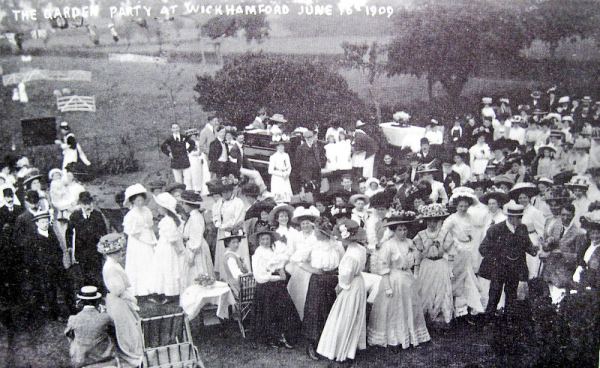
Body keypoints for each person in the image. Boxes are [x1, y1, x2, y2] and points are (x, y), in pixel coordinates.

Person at [368, 211, 430, 348]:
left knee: (409, 306)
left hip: (407, 277)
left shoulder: (410, 242)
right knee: (393, 308)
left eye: (405, 229)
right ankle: (393, 337)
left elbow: (417, 257)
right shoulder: (389, 245)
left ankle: (409, 334)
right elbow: (383, 266)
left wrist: (416, 272)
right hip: (393, 278)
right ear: (394, 231)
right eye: (400, 230)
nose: (403, 232)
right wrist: (388, 286)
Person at [316, 219, 367, 363]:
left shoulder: (350, 255)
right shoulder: (360, 249)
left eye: (339, 237)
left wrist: (341, 287)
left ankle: (340, 347)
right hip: (359, 283)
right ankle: (352, 345)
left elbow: (346, 276)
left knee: (345, 316)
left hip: (351, 286)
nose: (338, 239)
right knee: (354, 314)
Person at [480, 201, 538, 317]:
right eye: (515, 218)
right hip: (499, 269)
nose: (517, 220)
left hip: (515, 268)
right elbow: (483, 248)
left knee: (511, 296)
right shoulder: (496, 229)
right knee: (494, 295)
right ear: (509, 217)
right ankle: (488, 321)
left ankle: (508, 324)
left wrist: (534, 249)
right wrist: (496, 258)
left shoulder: (522, 228)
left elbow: (527, 244)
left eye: (519, 218)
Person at [98, 233, 143, 367]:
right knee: (127, 330)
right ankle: (133, 356)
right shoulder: (110, 268)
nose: (120, 254)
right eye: (118, 252)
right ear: (111, 254)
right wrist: (132, 299)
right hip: (119, 302)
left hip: (119, 299)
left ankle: (134, 352)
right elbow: (118, 291)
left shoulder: (113, 264)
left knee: (131, 327)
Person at [302, 217, 345, 360]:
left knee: (331, 311)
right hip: (318, 280)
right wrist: (311, 269)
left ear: (323, 232)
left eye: (316, 230)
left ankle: (330, 345)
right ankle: (312, 345)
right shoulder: (312, 242)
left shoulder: (336, 244)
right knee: (315, 312)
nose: (314, 232)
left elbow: (344, 261)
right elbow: (297, 259)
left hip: (332, 280)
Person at [251, 229, 301, 348]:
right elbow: (260, 276)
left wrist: (280, 270)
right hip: (266, 287)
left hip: (277, 286)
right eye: (262, 239)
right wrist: (278, 277)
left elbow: (279, 263)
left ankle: (286, 336)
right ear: (259, 241)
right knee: (269, 313)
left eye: (267, 239)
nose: (265, 241)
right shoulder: (258, 254)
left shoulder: (272, 250)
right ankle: (273, 338)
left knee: (285, 309)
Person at [23, 211, 75, 321]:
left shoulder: (52, 233)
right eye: (42, 222)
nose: (45, 224)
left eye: (47, 221)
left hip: (58, 267)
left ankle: (72, 310)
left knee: (67, 288)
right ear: (37, 223)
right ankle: (55, 315)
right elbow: (31, 257)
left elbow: (58, 249)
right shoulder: (33, 239)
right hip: (45, 270)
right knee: (50, 292)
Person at [442, 190, 485, 317]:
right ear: (456, 206)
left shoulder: (470, 217)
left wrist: (470, 240)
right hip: (456, 249)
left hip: (469, 248)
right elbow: (444, 233)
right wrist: (455, 243)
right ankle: (455, 308)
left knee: (469, 276)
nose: (464, 208)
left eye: (466, 206)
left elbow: (474, 229)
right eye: (461, 206)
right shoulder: (452, 219)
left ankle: (468, 308)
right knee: (457, 276)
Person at [413, 203, 454, 328]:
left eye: (435, 221)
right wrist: (416, 271)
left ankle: (441, 318)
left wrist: (451, 270)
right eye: (429, 221)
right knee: (425, 289)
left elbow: (451, 253)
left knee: (441, 289)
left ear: (439, 221)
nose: (432, 224)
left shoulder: (445, 234)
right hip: (426, 265)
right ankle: (425, 318)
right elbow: (418, 255)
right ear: (425, 221)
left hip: (440, 264)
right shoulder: (420, 235)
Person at [541, 202, 587, 304]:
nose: (565, 218)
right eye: (563, 214)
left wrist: (562, 254)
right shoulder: (556, 227)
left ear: (573, 216)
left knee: (560, 302)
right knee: (550, 301)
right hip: (550, 271)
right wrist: (547, 244)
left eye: (568, 215)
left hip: (564, 274)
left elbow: (579, 257)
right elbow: (547, 248)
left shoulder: (578, 233)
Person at [65, 191, 109, 291]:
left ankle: (99, 293)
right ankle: (86, 294)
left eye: (89, 203)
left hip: (95, 249)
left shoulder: (97, 215)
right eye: (84, 204)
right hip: (81, 249)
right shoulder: (75, 216)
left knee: (96, 271)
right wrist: (70, 247)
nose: (87, 206)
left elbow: (104, 231)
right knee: (84, 272)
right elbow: (69, 232)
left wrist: (104, 245)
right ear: (80, 204)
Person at [64, 286, 116, 368]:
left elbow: (69, 336)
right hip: (104, 361)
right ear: (97, 301)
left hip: (81, 362)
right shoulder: (105, 318)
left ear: (81, 302)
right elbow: (114, 334)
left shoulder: (73, 319)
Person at [122, 184, 157, 297]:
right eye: (137, 200)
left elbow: (150, 225)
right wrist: (147, 241)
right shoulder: (131, 215)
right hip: (138, 242)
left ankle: (152, 288)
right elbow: (134, 234)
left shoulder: (146, 210)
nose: (140, 202)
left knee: (151, 262)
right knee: (140, 264)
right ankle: (140, 290)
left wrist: (153, 239)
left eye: (142, 200)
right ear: (132, 201)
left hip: (148, 236)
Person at [149, 192, 184, 302]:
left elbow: (172, 239)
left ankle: (170, 294)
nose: (158, 208)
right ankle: (166, 292)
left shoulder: (167, 221)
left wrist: (179, 250)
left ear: (165, 208)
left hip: (167, 248)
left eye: (160, 206)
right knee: (164, 269)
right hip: (164, 246)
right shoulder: (171, 219)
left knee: (168, 268)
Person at [287, 206, 319, 319]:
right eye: (303, 224)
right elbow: (292, 252)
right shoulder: (297, 236)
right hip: (298, 268)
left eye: (307, 223)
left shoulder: (316, 236)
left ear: (312, 224)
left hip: (311, 267)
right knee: (295, 293)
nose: (305, 226)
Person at [212, 183, 250, 278]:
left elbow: (239, 218)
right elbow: (216, 214)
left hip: (234, 230)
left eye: (227, 191)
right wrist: (217, 223)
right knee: (224, 252)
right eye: (223, 192)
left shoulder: (238, 202)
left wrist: (227, 226)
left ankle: (241, 276)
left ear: (232, 191)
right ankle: (225, 277)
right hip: (222, 231)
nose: (225, 194)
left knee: (236, 251)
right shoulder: (219, 203)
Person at [180, 191, 214, 289]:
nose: (183, 206)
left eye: (184, 204)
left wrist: (191, 255)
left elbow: (196, 239)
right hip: (192, 245)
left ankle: (200, 294)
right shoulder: (193, 216)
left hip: (196, 248)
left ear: (190, 205)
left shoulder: (196, 218)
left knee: (198, 269)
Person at [160, 123, 195, 189]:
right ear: (171, 129)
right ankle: (180, 192)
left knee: (188, 178)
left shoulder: (184, 137)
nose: (175, 129)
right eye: (174, 128)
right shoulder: (169, 139)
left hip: (184, 159)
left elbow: (192, 143)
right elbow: (163, 147)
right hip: (175, 160)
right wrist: (169, 153)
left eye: (177, 127)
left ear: (179, 128)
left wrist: (188, 151)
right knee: (178, 180)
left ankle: (189, 192)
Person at [291, 130, 324, 194]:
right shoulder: (301, 148)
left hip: (316, 174)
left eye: (311, 137)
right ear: (305, 138)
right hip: (306, 175)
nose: (310, 139)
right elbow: (298, 162)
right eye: (308, 138)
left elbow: (318, 159)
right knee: (308, 193)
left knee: (316, 192)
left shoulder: (315, 147)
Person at [221, 230, 249, 297]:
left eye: (237, 242)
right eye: (233, 242)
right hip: (237, 287)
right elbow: (236, 274)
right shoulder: (230, 257)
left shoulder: (235, 255)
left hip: (239, 284)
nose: (236, 245)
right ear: (228, 244)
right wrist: (248, 279)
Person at [185, 128, 210, 194]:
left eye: (194, 136)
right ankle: (192, 189)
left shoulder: (198, 142)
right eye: (192, 136)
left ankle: (199, 188)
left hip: (199, 159)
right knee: (191, 174)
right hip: (191, 159)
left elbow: (201, 149)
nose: (194, 137)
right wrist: (194, 153)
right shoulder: (187, 143)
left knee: (199, 173)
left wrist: (200, 153)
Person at [268, 139, 293, 204]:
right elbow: (270, 171)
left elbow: (289, 166)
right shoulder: (273, 157)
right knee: (278, 197)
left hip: (285, 176)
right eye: (279, 146)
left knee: (286, 196)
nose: (281, 148)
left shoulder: (286, 155)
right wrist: (281, 174)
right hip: (277, 177)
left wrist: (287, 173)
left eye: (282, 146)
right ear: (276, 147)